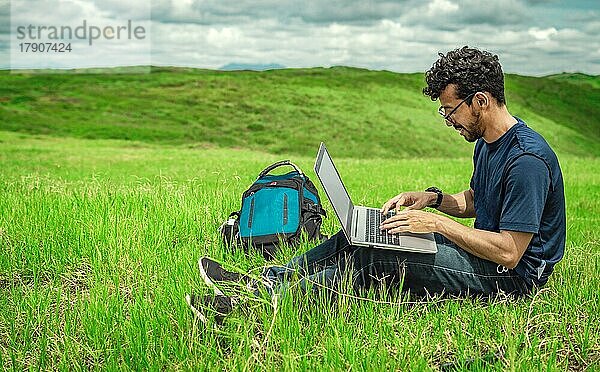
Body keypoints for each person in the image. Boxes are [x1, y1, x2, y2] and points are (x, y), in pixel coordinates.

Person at [186, 46, 566, 323]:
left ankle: (257, 310)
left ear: (480, 100)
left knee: (375, 255)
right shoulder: (487, 142)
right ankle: (267, 282)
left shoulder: (526, 161)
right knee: (363, 234)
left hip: (510, 279)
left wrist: (436, 225)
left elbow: (509, 253)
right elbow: (478, 201)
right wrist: (432, 200)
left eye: (450, 110)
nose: (448, 120)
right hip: (491, 257)